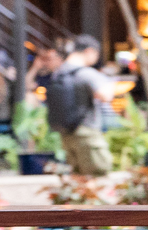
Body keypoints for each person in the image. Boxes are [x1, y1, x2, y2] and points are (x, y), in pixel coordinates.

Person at [47, 35, 114, 176]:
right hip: (87, 132)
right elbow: (105, 95)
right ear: (89, 51)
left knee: (78, 180)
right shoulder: (86, 73)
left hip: (66, 134)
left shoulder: (58, 73)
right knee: (98, 176)